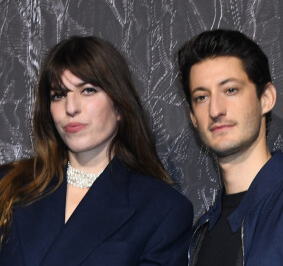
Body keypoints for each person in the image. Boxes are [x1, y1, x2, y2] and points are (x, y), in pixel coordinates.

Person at [0, 36, 193, 265]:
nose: (71, 108)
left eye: (88, 90)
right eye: (59, 95)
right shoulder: (9, 184)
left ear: (119, 106)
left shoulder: (163, 209)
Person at [177, 29, 283, 266]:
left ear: (266, 98)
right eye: (202, 97)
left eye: (230, 90)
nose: (215, 110)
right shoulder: (198, 235)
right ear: (193, 117)